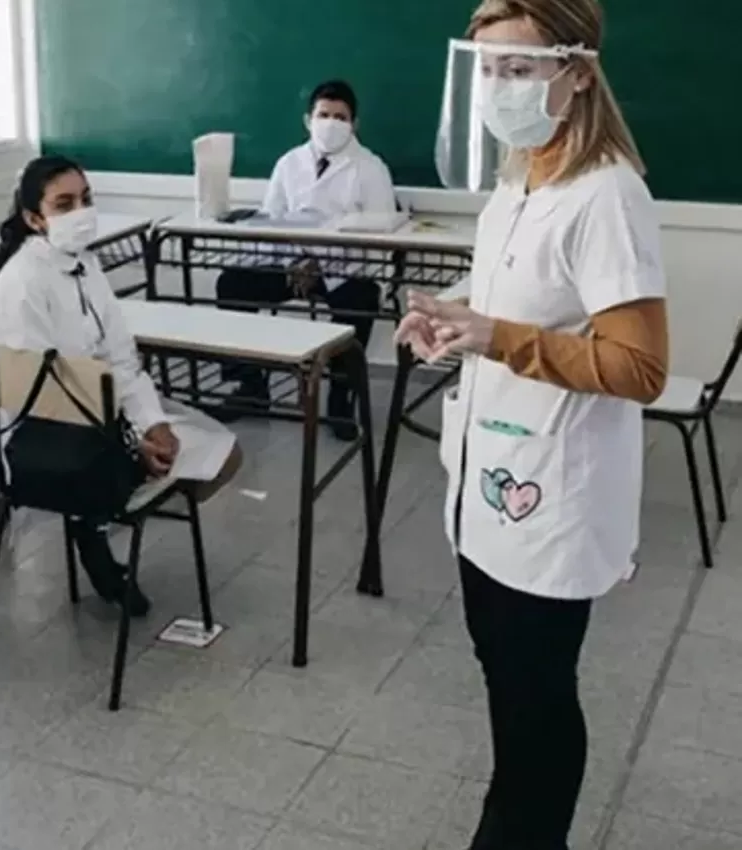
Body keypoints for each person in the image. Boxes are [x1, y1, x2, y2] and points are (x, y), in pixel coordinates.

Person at [394, 1, 667, 846]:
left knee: (536, 696)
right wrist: (459, 320)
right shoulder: (520, 178)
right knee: (507, 680)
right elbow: (519, 314)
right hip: (488, 487)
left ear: (577, 72)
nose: (498, 87)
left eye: (520, 68)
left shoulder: (607, 194)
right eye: (486, 67)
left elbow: (640, 367)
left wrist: (499, 336)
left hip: (551, 498)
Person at [0, 156, 245, 616]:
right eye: (64, 203)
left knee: (222, 457)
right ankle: (94, 521)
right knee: (161, 469)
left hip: (100, 417)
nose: (82, 211)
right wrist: (132, 442)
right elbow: (44, 398)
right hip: (39, 440)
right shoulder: (22, 283)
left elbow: (119, 357)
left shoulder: (84, 264)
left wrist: (151, 424)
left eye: (86, 199)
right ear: (34, 218)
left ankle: (92, 517)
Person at [215, 80, 397, 439]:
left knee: (360, 299)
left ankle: (341, 398)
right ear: (307, 120)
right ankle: (250, 386)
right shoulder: (289, 163)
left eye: (340, 117)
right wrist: (291, 260)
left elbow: (382, 229)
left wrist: (323, 262)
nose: (331, 123)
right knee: (233, 282)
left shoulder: (371, 168)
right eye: (324, 115)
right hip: (290, 264)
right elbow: (271, 219)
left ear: (354, 124)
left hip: (344, 270)